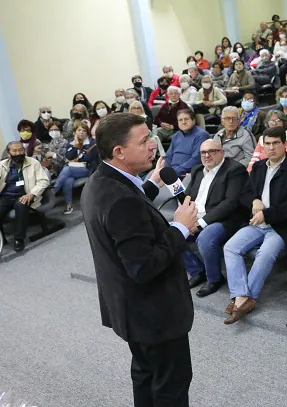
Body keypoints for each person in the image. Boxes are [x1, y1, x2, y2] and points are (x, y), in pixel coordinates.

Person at [83, 113, 197, 407]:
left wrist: (151, 184)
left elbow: (128, 216)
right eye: (144, 140)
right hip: (154, 314)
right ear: (119, 151)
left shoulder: (100, 182)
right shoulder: (122, 200)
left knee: (146, 376)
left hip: (130, 310)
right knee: (170, 388)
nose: (153, 146)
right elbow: (143, 266)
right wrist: (180, 227)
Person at [223, 126, 287, 324]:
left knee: (265, 253)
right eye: (267, 144)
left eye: (276, 143)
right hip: (257, 223)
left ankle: (244, 300)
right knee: (230, 247)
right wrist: (254, 201)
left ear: (285, 144)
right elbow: (245, 193)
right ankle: (242, 296)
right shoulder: (259, 167)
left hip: (282, 226)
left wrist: (267, 214)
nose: (271, 148)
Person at [181, 138, 249, 297]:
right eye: (203, 152)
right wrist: (184, 215)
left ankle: (214, 279)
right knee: (170, 230)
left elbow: (230, 203)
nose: (207, 155)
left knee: (205, 238)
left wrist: (199, 224)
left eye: (212, 151)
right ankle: (197, 270)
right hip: (197, 215)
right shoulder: (198, 170)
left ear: (222, 153)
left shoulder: (235, 170)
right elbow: (188, 196)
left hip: (226, 218)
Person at [0, 142, 50, 252]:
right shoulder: (2, 165)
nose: (18, 153)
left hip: (26, 194)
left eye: (20, 150)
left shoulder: (33, 163)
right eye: (15, 151)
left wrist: (32, 193)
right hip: (6, 196)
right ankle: (2, 239)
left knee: (20, 205)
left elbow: (43, 180)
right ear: (9, 154)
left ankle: (19, 239)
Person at [52, 121, 99, 214]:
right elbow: (69, 156)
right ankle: (69, 205)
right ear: (75, 132)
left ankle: (54, 190)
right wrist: (76, 145)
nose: (81, 132)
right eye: (79, 130)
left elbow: (89, 158)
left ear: (87, 133)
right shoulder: (71, 143)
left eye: (84, 130)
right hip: (75, 170)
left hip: (89, 169)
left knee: (67, 169)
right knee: (68, 180)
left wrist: (77, 153)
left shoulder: (93, 143)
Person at [164, 109, 209, 176]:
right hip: (173, 173)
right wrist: (168, 170)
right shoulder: (176, 135)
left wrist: (176, 171)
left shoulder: (201, 135)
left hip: (188, 173)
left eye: (186, 119)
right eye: (180, 120)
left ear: (193, 121)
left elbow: (196, 158)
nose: (183, 122)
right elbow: (168, 156)